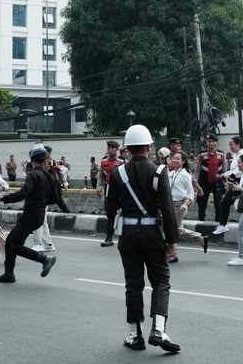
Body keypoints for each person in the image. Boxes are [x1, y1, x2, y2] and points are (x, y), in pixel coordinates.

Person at [105, 124, 180, 352]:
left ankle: (134, 335)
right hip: (152, 232)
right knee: (160, 280)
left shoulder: (117, 172)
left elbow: (110, 208)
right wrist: (172, 240)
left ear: (126, 149)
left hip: (127, 234)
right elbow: (167, 208)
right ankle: (158, 329)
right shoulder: (159, 171)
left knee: (133, 284)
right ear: (149, 146)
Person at [0, 146, 58, 283]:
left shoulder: (33, 175)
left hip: (31, 214)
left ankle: (44, 259)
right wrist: (41, 203)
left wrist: (2, 198)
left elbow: (23, 193)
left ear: (31, 160)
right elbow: (55, 198)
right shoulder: (48, 176)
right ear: (45, 161)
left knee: (13, 244)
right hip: (39, 214)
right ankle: (9, 274)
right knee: (11, 242)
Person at [167, 150, 208, 263]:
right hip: (171, 204)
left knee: (171, 229)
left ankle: (172, 254)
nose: (175, 160)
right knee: (177, 229)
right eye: (174, 158)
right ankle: (200, 238)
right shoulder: (170, 173)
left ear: (183, 161)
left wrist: (185, 203)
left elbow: (190, 192)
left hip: (180, 205)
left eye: (177, 159)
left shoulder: (185, 174)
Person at [213, 136, 243, 234]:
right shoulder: (236, 154)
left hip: (241, 182)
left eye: (231, 144)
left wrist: (231, 174)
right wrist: (222, 175)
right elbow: (233, 169)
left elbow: (240, 169)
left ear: (238, 144)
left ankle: (223, 224)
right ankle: (222, 225)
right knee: (226, 202)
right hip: (235, 182)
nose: (230, 146)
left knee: (226, 202)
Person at [29, 145, 58, 252]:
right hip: (42, 197)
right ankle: (48, 243)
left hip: (40, 198)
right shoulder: (39, 165)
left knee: (38, 220)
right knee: (42, 220)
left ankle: (38, 243)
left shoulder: (48, 165)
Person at [97, 140, 126, 247]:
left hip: (121, 189)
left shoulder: (123, 161)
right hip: (109, 188)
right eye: (108, 148)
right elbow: (101, 175)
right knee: (110, 213)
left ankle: (124, 236)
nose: (110, 150)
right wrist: (99, 186)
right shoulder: (104, 160)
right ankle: (109, 237)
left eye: (112, 148)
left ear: (117, 149)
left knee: (124, 211)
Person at [194, 133, 226, 222]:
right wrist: (195, 184)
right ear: (206, 143)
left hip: (217, 182)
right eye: (209, 141)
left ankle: (218, 222)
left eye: (213, 141)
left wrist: (225, 182)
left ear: (216, 142)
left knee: (219, 204)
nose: (211, 143)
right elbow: (197, 171)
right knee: (202, 203)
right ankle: (201, 220)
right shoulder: (201, 155)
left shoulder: (221, 154)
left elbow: (224, 170)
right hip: (204, 182)